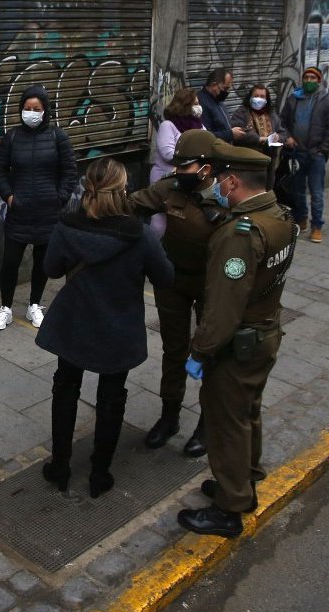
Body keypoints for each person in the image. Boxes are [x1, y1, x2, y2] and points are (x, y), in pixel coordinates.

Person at [176, 145, 296, 538]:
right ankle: (243, 480)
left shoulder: (239, 234)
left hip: (238, 341)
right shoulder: (279, 217)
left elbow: (224, 307)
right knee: (248, 413)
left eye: (221, 181)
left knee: (227, 421)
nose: (218, 189)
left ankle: (229, 507)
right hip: (264, 334)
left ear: (232, 181)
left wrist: (200, 350)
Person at [36, 158, 174, 498]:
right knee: (112, 399)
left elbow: (51, 268)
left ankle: (61, 466)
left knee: (65, 388)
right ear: (122, 190)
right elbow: (166, 277)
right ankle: (100, 474)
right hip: (118, 328)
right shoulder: (139, 234)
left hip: (74, 323)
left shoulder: (68, 225)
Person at [130, 130, 229, 457]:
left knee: (208, 353)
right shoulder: (171, 188)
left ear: (206, 169)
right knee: (174, 349)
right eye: (177, 165)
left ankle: (207, 423)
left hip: (210, 286)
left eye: (186, 166)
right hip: (172, 280)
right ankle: (169, 415)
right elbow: (132, 203)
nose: (178, 172)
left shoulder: (227, 196)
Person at [0, 85, 77, 331]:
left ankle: (34, 305)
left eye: (36, 109)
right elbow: (0, 171)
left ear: (45, 111)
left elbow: (69, 171)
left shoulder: (57, 137)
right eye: (27, 109)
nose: (31, 113)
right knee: (10, 262)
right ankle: (5, 308)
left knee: (42, 262)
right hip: (19, 211)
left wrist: (59, 198)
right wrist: (8, 197)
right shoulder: (12, 137)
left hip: (48, 213)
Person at [280, 66, 329, 243]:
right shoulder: (294, 98)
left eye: (312, 78)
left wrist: (322, 149)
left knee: (316, 192)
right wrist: (288, 137)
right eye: (306, 78)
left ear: (319, 81)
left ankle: (317, 226)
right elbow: (282, 122)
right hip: (296, 153)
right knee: (298, 190)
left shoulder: (327, 100)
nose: (308, 81)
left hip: (316, 155)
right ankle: (302, 219)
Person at [229, 84, 287, 188]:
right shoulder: (241, 113)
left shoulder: (272, 114)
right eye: (256, 96)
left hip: (269, 162)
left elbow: (282, 133)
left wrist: (278, 137)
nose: (259, 99)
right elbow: (237, 132)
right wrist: (258, 139)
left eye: (262, 96)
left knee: (267, 189)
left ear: (267, 99)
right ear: (250, 97)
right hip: (248, 163)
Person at [149, 87, 206, 184]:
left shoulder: (199, 125)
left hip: (191, 179)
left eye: (198, 103)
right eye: (195, 104)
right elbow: (168, 154)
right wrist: (196, 155)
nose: (199, 107)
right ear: (186, 106)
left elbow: (207, 145)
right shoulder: (168, 126)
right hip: (165, 179)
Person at [197, 68, 239, 144]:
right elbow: (204, 135)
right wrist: (230, 134)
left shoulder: (217, 99)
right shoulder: (201, 103)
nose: (226, 92)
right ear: (214, 85)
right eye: (225, 88)